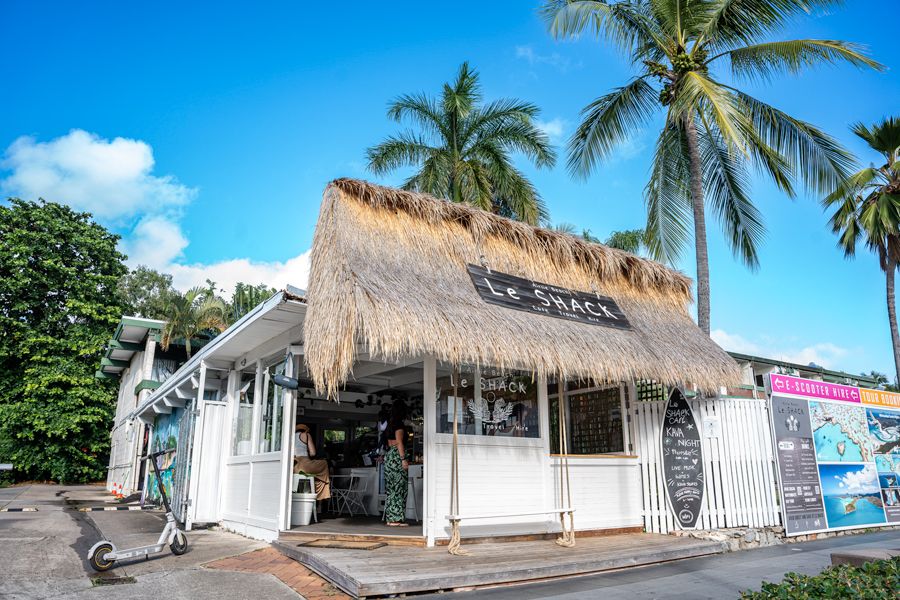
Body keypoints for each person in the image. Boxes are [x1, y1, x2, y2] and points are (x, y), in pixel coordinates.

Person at [383, 399, 410, 526]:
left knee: (391, 488)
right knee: (399, 488)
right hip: (396, 458)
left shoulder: (389, 425)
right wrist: (403, 459)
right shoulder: (399, 426)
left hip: (389, 457)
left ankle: (391, 518)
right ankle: (396, 519)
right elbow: (399, 442)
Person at [293, 423, 330, 502]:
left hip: (294, 466)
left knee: (313, 476)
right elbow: (313, 453)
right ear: (305, 430)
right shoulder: (306, 435)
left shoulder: (290, 437)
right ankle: (320, 493)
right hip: (305, 465)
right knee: (324, 463)